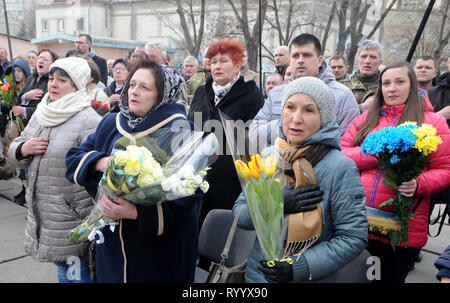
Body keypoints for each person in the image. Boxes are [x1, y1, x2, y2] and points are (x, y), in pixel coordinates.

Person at [65, 58, 199, 283]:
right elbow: (73, 158)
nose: (133, 92)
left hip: (159, 249)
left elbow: (191, 191)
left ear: (162, 94)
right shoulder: (111, 123)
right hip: (112, 243)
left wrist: (138, 213)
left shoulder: (180, 130)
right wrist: (102, 162)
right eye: (132, 84)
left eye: (144, 87)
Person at [233, 76, 368, 283]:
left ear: (324, 117)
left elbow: (353, 237)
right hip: (257, 277)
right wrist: (274, 203)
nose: (296, 118)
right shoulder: (270, 155)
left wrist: (299, 267)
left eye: (309, 110)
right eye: (290, 107)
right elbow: (240, 215)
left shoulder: (340, 167)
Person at [341, 61, 450, 283]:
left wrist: (419, 183)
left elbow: (445, 169)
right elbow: (342, 153)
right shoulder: (367, 119)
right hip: (359, 223)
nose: (392, 88)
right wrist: (377, 154)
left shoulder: (433, 122)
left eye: (400, 82)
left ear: (412, 84)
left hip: (402, 230)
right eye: (386, 83)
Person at [6, 57, 101, 283]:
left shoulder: (89, 120)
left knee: (76, 271)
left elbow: (95, 173)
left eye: (62, 80)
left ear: (77, 84)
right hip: (45, 212)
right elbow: (13, 150)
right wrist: (23, 149)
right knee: (63, 267)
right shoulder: (43, 112)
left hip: (72, 216)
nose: (53, 84)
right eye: (51, 78)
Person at [188, 38, 264, 226]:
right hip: (197, 174)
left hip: (230, 179)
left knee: (220, 233)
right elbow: (191, 127)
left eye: (224, 61)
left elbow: (256, 139)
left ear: (238, 66)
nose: (217, 66)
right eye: (214, 62)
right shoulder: (201, 92)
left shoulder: (251, 94)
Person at [249, 33, 359, 148]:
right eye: (296, 56)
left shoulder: (343, 95)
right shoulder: (276, 93)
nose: (300, 60)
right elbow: (254, 133)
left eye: (307, 55)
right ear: (290, 61)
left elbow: (348, 144)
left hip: (322, 164)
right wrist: (286, 125)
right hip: (277, 163)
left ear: (320, 60)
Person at [11, 49, 58, 206]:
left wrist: (25, 110)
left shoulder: (50, 83)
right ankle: (25, 190)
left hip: (41, 130)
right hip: (26, 127)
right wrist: (25, 97)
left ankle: (33, 197)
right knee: (24, 162)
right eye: (39, 58)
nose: (41, 61)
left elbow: (45, 110)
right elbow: (19, 98)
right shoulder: (32, 78)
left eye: (45, 59)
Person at [341, 40, 384, 112]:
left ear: (380, 62)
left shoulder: (386, 87)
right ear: (357, 60)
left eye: (373, 57)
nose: (367, 61)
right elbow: (336, 114)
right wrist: (362, 108)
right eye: (364, 56)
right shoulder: (343, 87)